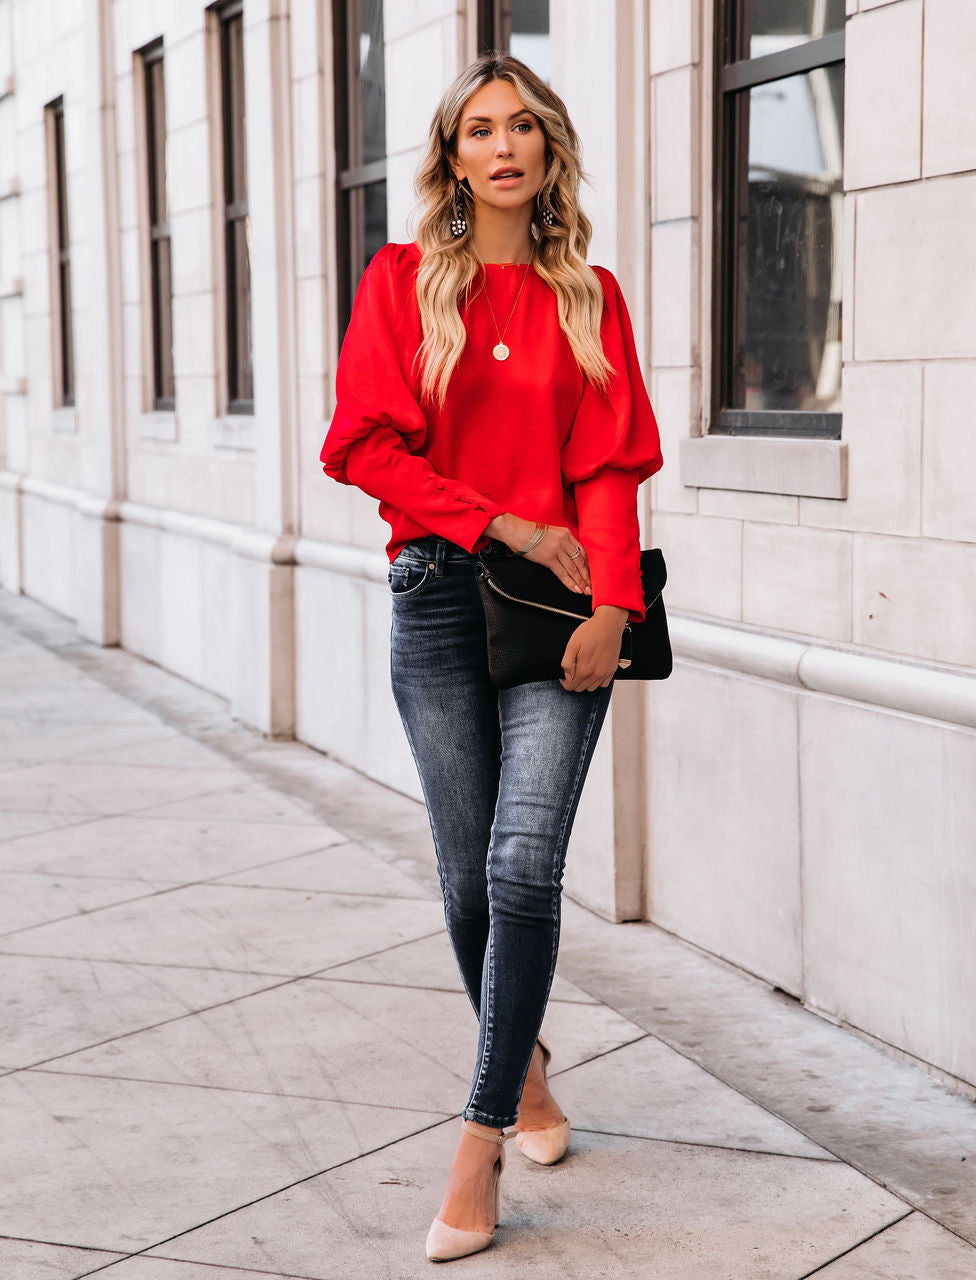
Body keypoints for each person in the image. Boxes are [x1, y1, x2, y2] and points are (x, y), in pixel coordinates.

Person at [320, 53, 662, 1262]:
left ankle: (476, 1142)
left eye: (523, 125)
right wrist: (497, 518)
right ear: (453, 157)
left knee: (523, 865)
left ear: (549, 151)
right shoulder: (404, 282)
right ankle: (524, 1071)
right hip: (436, 600)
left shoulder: (591, 297)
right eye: (479, 129)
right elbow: (360, 443)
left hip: (563, 615)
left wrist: (612, 606)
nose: (504, 144)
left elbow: (610, 468)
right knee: (467, 881)